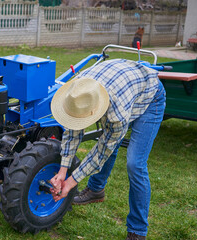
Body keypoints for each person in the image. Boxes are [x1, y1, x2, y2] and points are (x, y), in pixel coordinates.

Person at [50, 59, 166, 240]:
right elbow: (72, 133)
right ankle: (96, 190)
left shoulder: (116, 114)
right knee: (110, 141)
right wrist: (62, 171)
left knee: (135, 163)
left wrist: (70, 183)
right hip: (124, 87)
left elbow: (101, 152)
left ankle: (137, 230)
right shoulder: (78, 93)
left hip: (151, 96)